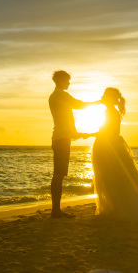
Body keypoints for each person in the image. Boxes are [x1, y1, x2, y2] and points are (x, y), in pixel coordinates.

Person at [87, 87, 138, 221]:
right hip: (111, 144)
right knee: (115, 177)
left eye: (104, 95)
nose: (102, 97)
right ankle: (118, 208)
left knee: (111, 176)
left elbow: (106, 131)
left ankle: (119, 210)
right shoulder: (111, 111)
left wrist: (86, 134)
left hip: (108, 146)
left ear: (108, 98)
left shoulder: (110, 112)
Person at [48, 70, 99, 218]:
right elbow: (79, 105)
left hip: (62, 137)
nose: (69, 83)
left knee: (59, 174)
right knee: (58, 174)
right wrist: (98, 103)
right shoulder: (60, 95)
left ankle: (56, 210)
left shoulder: (56, 96)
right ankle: (55, 211)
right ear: (61, 80)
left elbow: (64, 119)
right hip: (61, 139)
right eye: (67, 81)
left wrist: (76, 134)